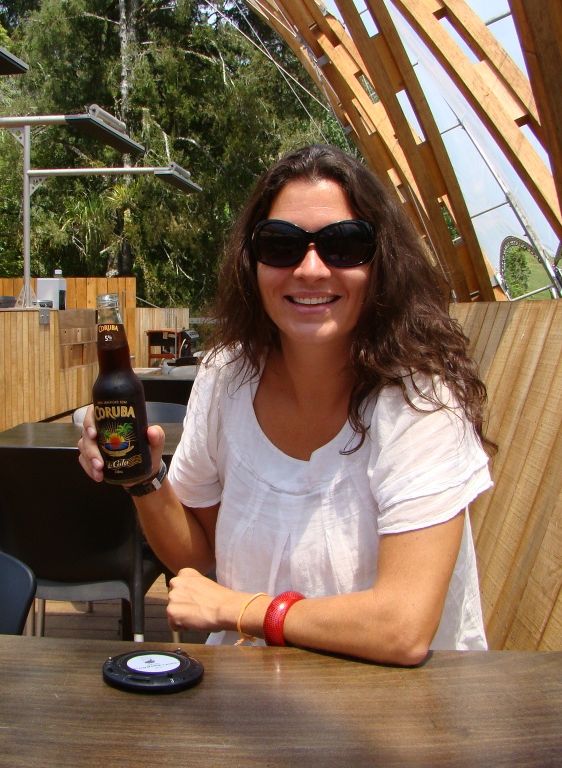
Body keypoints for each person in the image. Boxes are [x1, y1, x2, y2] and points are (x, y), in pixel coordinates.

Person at [78, 145, 494, 666]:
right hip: (255, 693)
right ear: (252, 262)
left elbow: (401, 627)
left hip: (391, 706)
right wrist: (141, 475)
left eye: (345, 245)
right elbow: (195, 552)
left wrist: (240, 609)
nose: (311, 269)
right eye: (281, 245)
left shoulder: (420, 400)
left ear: (382, 263)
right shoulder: (227, 375)